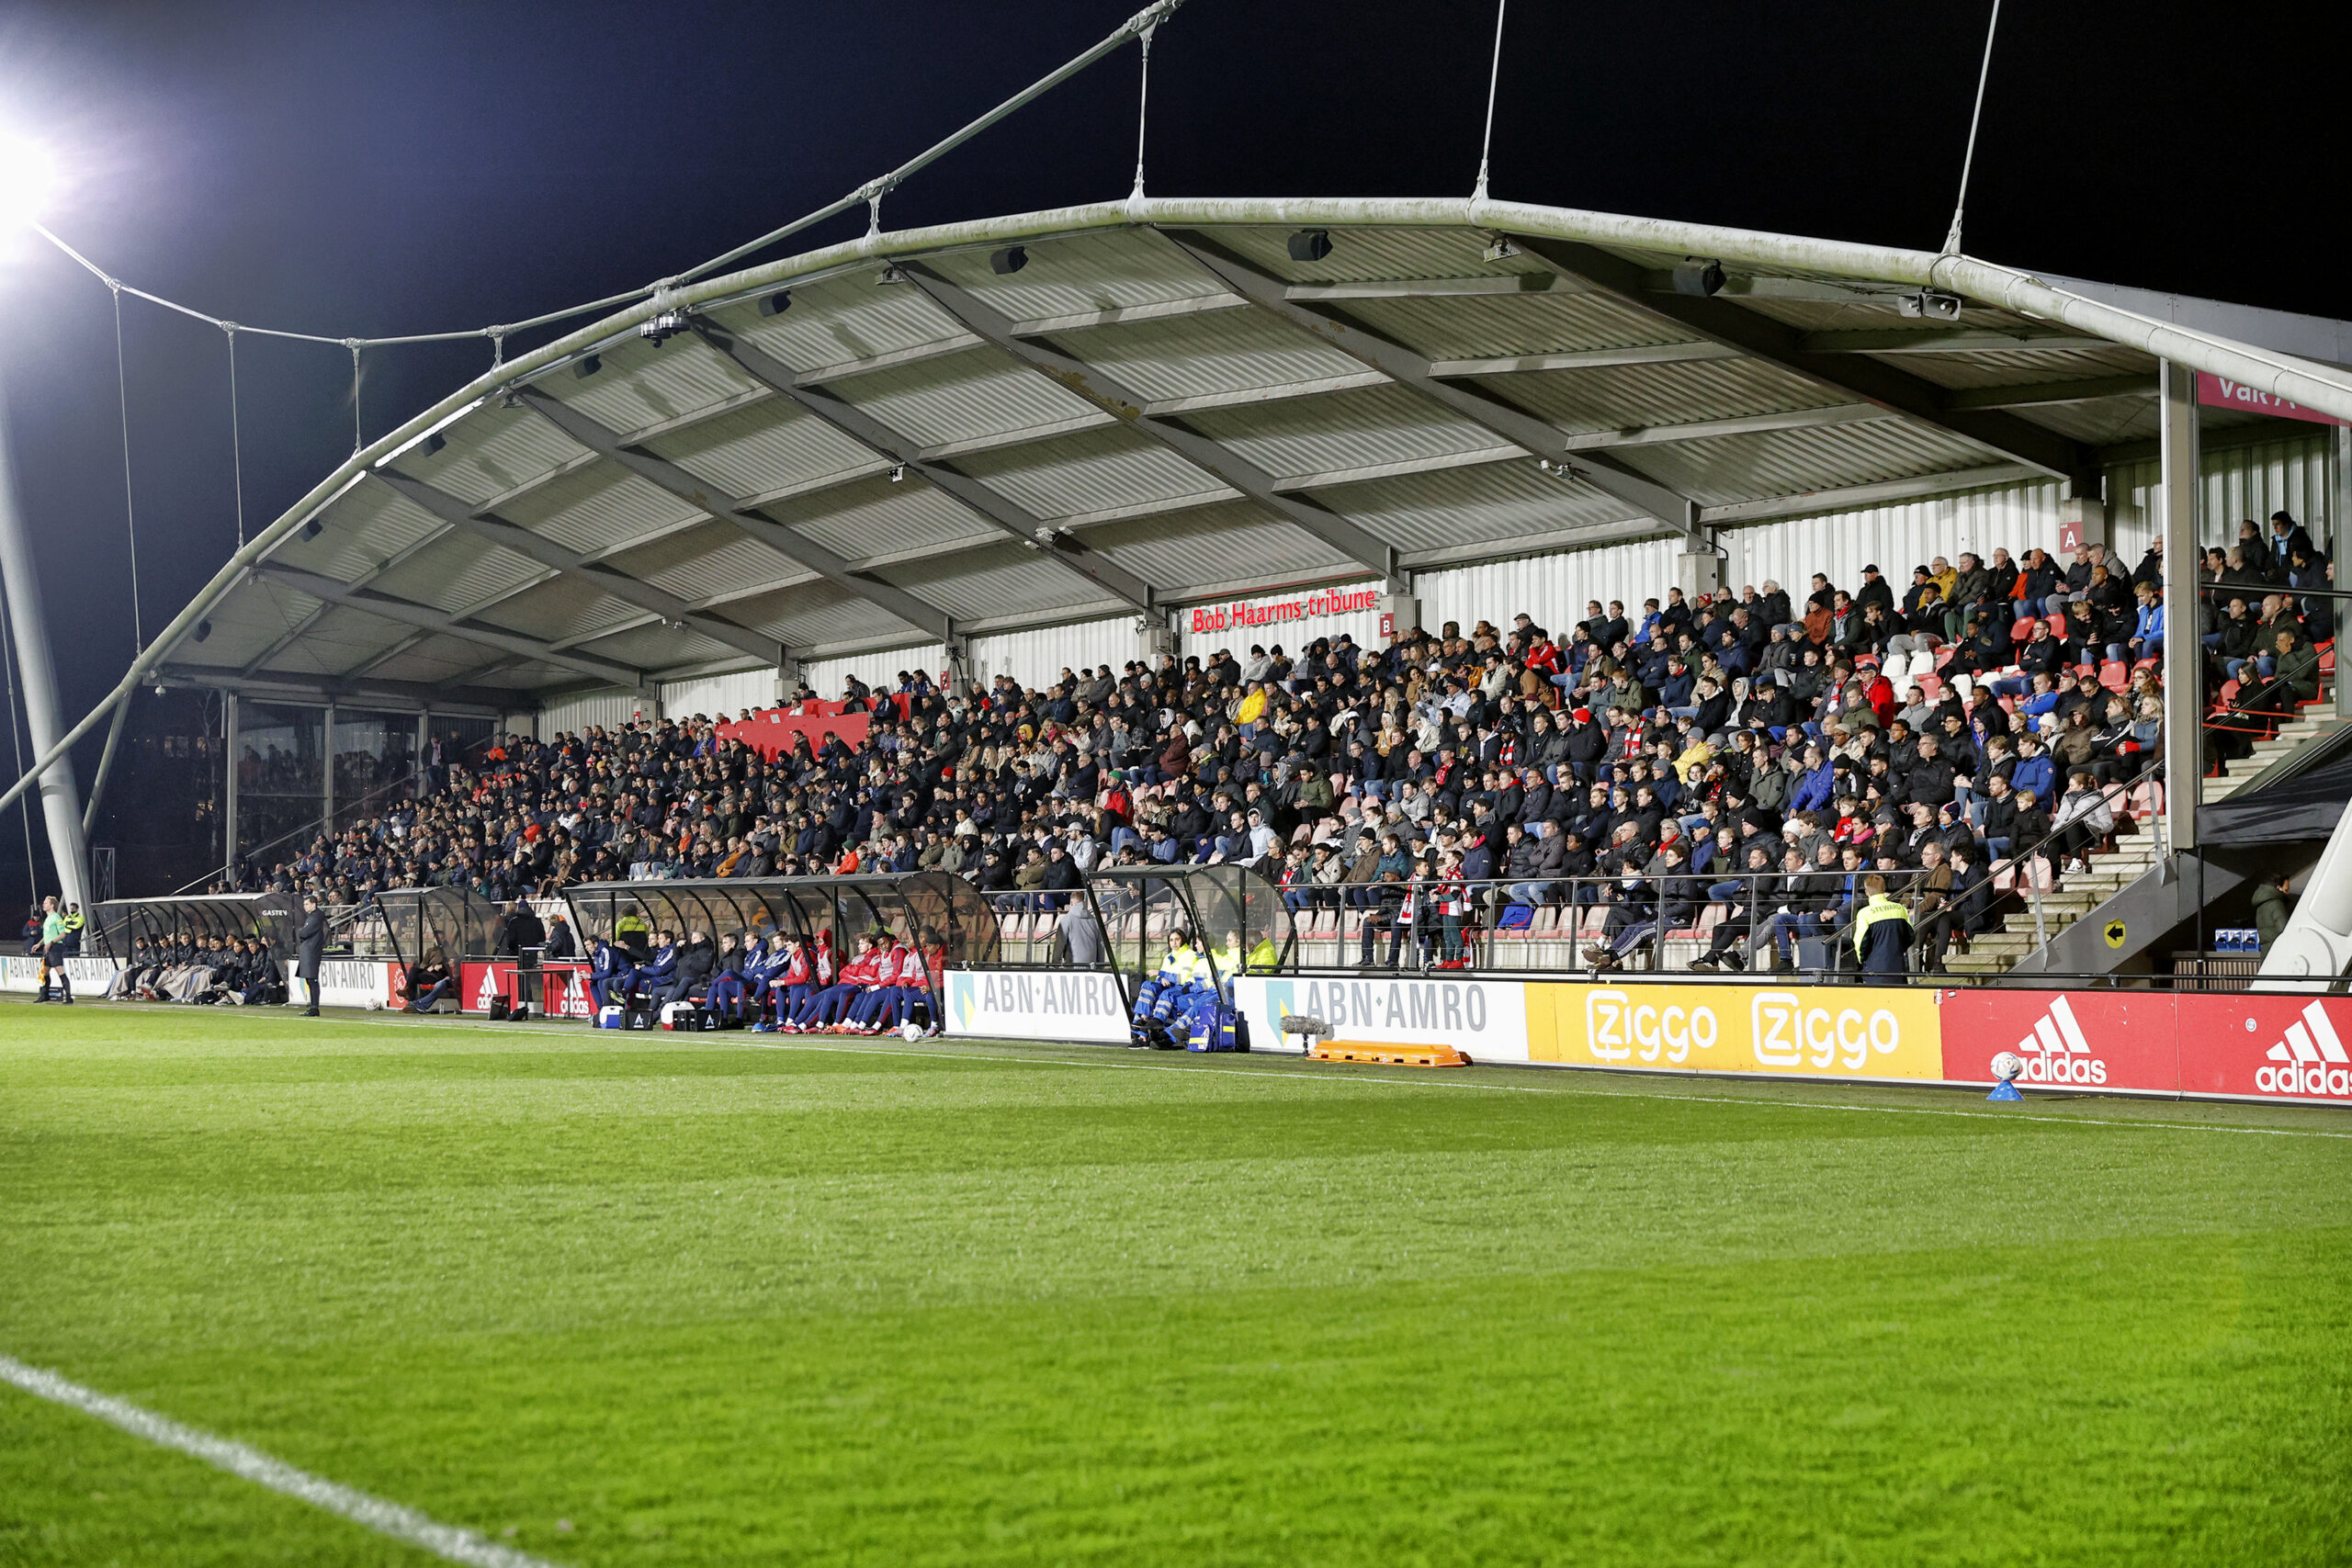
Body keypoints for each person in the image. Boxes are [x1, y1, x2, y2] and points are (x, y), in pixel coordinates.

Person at [1851, 874, 1913, 979]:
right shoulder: (1900, 909)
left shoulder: (1864, 913)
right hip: (1898, 966)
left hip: (1874, 967)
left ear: (1866, 892)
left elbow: (1860, 943)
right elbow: (1910, 935)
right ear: (1884, 889)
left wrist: (1861, 960)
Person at [33, 895, 70, 1004]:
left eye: (46, 903)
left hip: (55, 948)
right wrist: (39, 944)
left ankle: (68, 997)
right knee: (44, 972)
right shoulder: (48, 919)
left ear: (52, 905)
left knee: (60, 971)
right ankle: (44, 995)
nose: (43, 905)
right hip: (47, 948)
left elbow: (63, 934)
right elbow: (47, 936)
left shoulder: (56, 918)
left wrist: (51, 942)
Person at [294, 895, 325, 1016]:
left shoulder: (316, 917)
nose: (304, 906)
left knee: (312, 980)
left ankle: (314, 1008)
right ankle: (313, 1007)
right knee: (310, 980)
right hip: (309, 952)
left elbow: (304, 932)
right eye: (304, 904)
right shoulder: (312, 917)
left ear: (314, 904)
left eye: (307, 904)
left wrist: (300, 931)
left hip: (312, 952)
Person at [2254, 874, 2294, 953]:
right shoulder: (2277, 904)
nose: (2288, 893)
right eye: (2286, 890)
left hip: (2266, 951)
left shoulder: (2261, 906)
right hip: (2279, 950)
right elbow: (2284, 930)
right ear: (2279, 888)